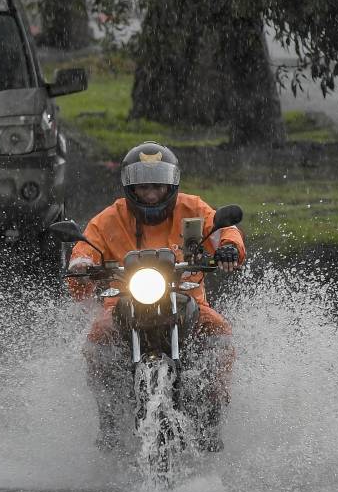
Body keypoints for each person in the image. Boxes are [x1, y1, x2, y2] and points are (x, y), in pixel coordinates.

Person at [66, 141, 245, 452]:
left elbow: (224, 230)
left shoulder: (193, 208)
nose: (151, 194)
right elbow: (84, 250)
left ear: (171, 186)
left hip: (187, 297)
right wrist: (81, 265)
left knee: (219, 332)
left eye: (158, 187)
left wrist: (230, 248)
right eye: (144, 187)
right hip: (123, 299)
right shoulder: (108, 218)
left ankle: (213, 416)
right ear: (130, 187)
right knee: (99, 336)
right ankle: (108, 419)